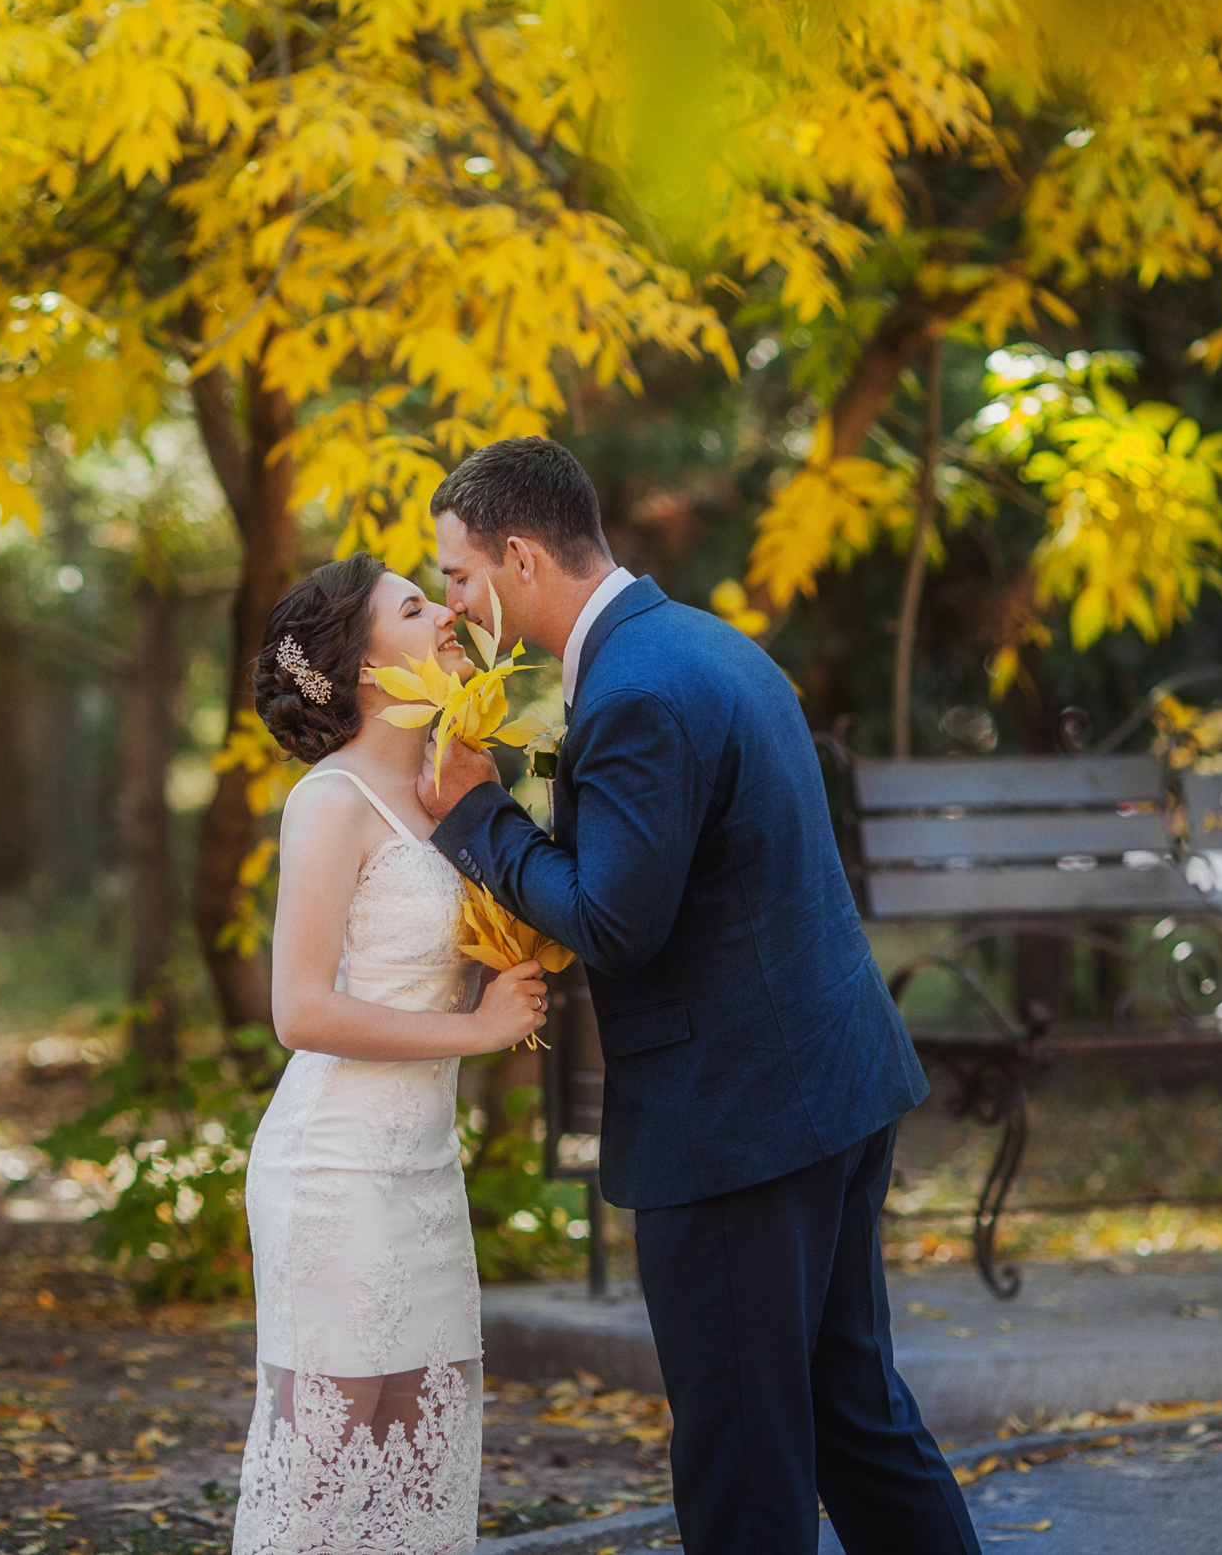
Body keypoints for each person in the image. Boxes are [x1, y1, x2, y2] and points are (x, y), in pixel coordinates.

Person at [415, 437, 981, 1555]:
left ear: (521, 557)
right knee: (851, 1420)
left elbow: (619, 922)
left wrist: (479, 820)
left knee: (740, 1460)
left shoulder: (635, 694)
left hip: (740, 1127)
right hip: (825, 1090)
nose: (451, 602)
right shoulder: (701, 645)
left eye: (457, 575)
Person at [231, 552, 550, 1555]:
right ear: (370, 670)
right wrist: (479, 1031)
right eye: (416, 608)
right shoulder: (329, 803)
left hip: (423, 1171)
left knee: (425, 1454)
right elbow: (301, 1012)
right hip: (333, 1168)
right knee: (327, 1474)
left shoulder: (451, 784)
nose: (449, 616)